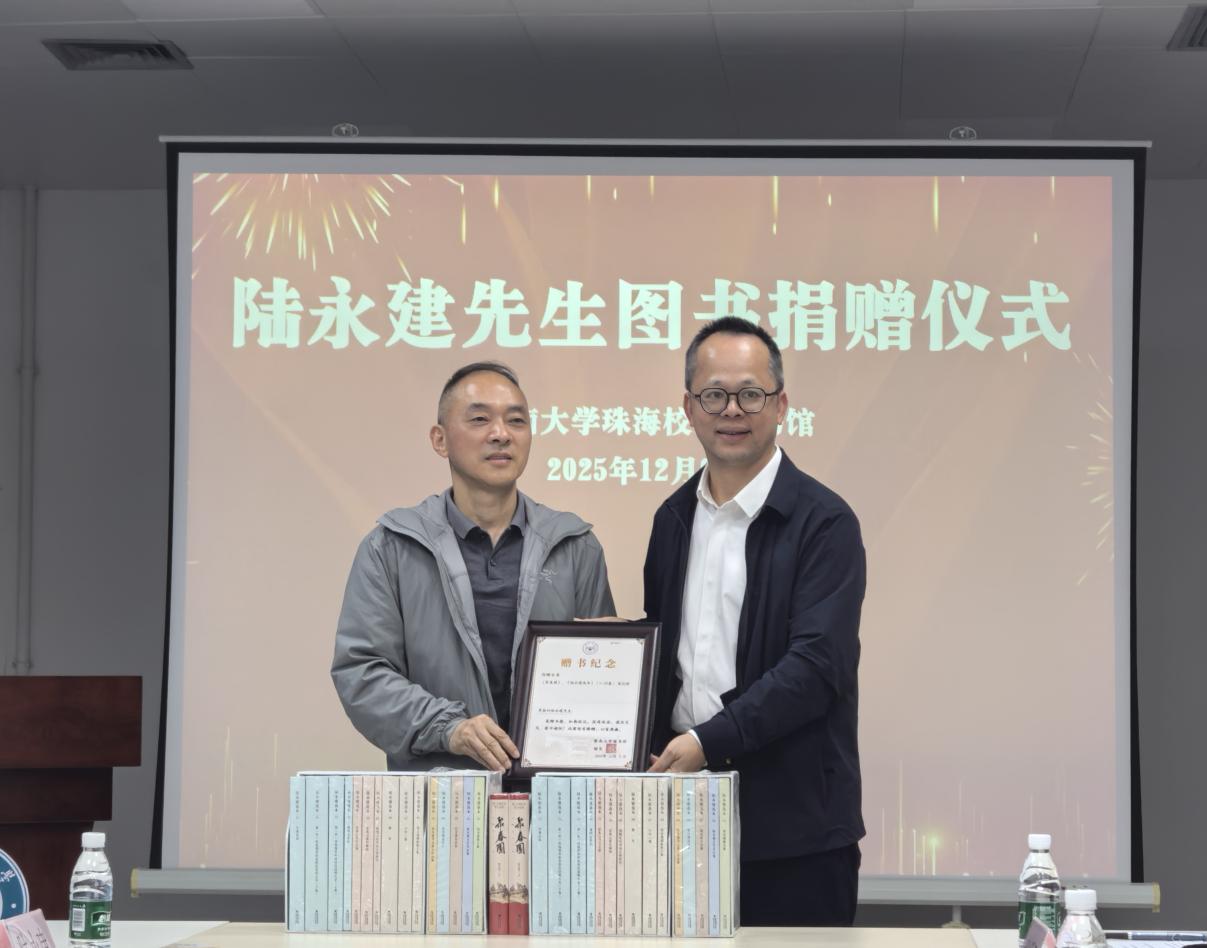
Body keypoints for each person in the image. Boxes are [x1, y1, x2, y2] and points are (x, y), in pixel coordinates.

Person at [644, 317, 866, 925]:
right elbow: (673, 657)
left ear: (781, 405)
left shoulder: (824, 522)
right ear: (689, 407)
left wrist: (706, 742)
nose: (732, 410)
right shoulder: (672, 519)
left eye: (750, 393)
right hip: (682, 821)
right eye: (714, 394)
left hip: (795, 837)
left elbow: (816, 668)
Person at [331, 361, 615, 772]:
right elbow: (362, 673)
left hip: (551, 796)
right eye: (480, 419)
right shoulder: (391, 547)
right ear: (440, 440)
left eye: (516, 420)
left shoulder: (574, 546)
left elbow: (600, 680)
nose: (501, 433)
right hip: (439, 792)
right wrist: (450, 728)